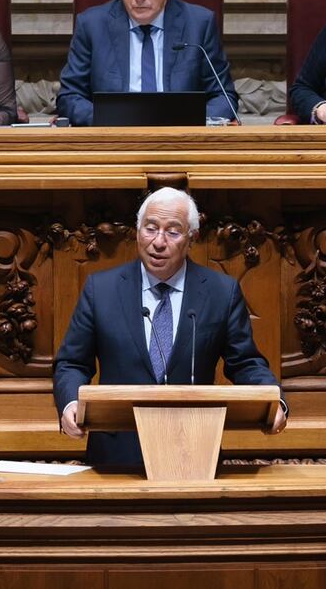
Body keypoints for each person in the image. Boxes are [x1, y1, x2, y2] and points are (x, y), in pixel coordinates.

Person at [53, 187, 287, 468]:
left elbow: (246, 363)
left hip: (196, 452)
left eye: (173, 232)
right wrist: (70, 404)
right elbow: (71, 362)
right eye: (150, 229)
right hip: (115, 458)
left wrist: (275, 402)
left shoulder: (220, 292)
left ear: (192, 239)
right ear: (137, 231)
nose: (158, 242)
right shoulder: (101, 289)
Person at [56, 0, 238, 126]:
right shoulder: (91, 25)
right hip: (112, 141)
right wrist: (110, 122)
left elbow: (223, 96)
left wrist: (188, 123)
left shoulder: (199, 24)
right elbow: (70, 96)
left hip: (181, 141)